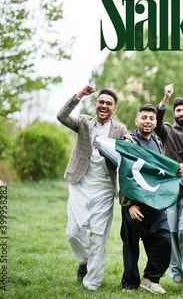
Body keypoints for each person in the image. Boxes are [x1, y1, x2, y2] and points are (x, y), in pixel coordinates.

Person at [57, 85, 127, 291]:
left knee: (98, 235)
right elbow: (61, 116)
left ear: (114, 109)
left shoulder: (120, 129)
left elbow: (131, 149)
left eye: (109, 103)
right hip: (80, 182)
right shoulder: (84, 122)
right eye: (101, 102)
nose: (104, 105)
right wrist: (79, 95)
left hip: (105, 186)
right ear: (96, 105)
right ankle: (85, 261)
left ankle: (92, 283)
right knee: (72, 232)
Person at [119, 104, 172, 294]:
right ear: (137, 121)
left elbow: (160, 171)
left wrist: (176, 172)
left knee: (165, 240)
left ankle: (150, 278)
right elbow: (124, 174)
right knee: (131, 247)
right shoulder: (129, 142)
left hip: (155, 205)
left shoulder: (157, 143)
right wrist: (130, 205)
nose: (148, 121)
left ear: (155, 122)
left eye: (151, 118)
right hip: (134, 204)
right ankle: (129, 284)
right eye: (144, 117)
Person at [155, 84, 183, 288]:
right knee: (172, 233)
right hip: (170, 190)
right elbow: (156, 121)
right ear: (174, 113)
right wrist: (165, 98)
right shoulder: (166, 131)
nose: (181, 113)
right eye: (178, 110)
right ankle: (177, 277)